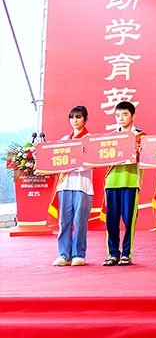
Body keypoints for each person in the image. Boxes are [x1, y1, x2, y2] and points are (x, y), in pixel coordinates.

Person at [103, 101, 143, 266]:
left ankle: (126, 253)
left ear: (133, 116)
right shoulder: (110, 138)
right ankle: (113, 254)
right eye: (117, 115)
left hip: (130, 181)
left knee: (129, 220)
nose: (120, 118)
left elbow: (148, 157)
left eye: (124, 115)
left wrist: (139, 151)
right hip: (112, 182)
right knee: (111, 221)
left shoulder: (140, 136)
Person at [51, 106, 91, 267]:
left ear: (85, 119)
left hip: (82, 185)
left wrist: (76, 164)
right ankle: (64, 254)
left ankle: (79, 254)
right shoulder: (64, 140)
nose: (75, 121)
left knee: (80, 221)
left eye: (78, 117)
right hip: (65, 185)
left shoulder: (90, 140)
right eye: (72, 117)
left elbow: (93, 162)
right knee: (64, 221)